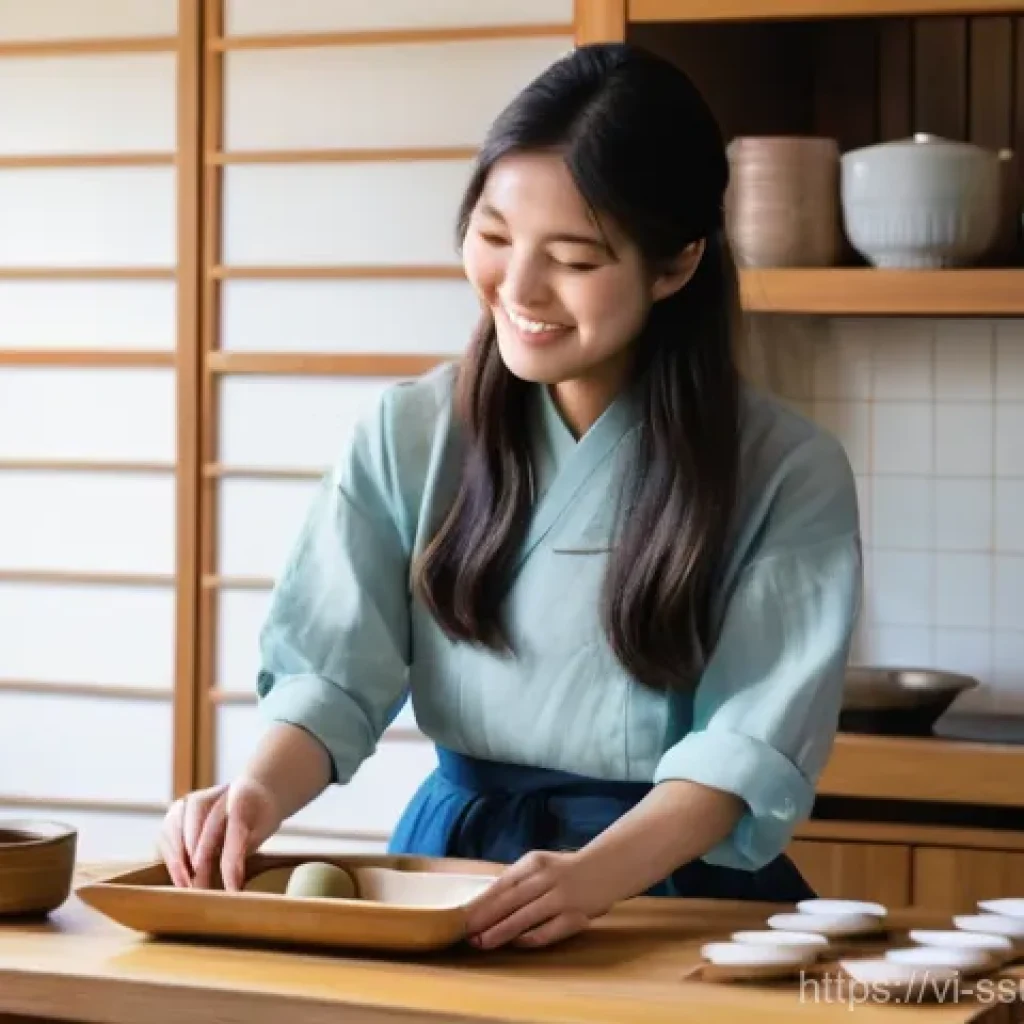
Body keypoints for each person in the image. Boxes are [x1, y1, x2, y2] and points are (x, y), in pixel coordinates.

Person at [159, 41, 862, 951]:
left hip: (669, 890)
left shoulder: (785, 469)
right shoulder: (406, 431)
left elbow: (749, 741)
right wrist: (253, 793)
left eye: (573, 258)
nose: (519, 289)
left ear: (677, 264)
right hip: (456, 873)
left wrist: (593, 878)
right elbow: (331, 673)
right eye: (493, 238)